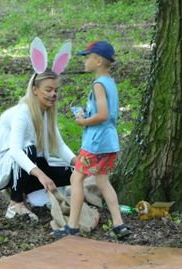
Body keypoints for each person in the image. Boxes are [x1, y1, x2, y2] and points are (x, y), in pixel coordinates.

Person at [0, 38, 76, 221]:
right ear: (35, 90)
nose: (53, 94)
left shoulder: (46, 114)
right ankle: (16, 204)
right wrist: (41, 175)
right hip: (1, 166)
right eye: (48, 89)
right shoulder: (22, 112)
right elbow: (15, 150)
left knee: (72, 174)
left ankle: (32, 193)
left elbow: (59, 146)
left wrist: (78, 163)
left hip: (29, 165)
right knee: (27, 148)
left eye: (55, 90)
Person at [53, 41, 130, 239]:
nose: (85, 61)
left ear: (97, 61)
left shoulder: (98, 84)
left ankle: (72, 227)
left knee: (76, 178)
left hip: (95, 143)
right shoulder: (110, 82)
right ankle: (119, 224)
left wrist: (82, 120)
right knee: (103, 181)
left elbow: (103, 115)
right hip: (109, 142)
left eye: (87, 57)